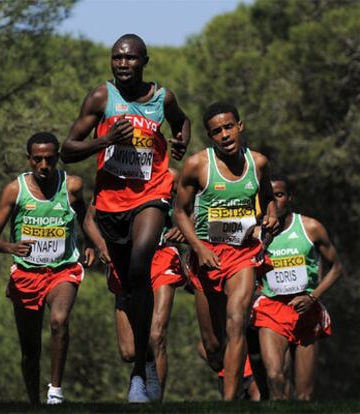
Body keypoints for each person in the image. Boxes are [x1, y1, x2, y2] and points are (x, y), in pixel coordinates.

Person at [61, 33, 190, 402]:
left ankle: (139, 374)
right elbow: (68, 150)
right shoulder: (102, 98)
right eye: (117, 58)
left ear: (145, 61)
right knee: (130, 284)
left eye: (131, 58)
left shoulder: (162, 98)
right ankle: (145, 359)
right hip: (111, 205)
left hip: (150, 195)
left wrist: (180, 141)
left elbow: (184, 122)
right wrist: (104, 141)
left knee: (140, 262)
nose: (123, 64)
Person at [174, 101, 278, 400]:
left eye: (228, 127)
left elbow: (268, 196)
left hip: (243, 253)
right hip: (206, 255)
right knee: (214, 347)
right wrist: (197, 247)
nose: (224, 135)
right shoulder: (197, 165)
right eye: (216, 131)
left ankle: (229, 402)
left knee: (237, 324)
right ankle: (226, 366)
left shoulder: (258, 163)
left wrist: (270, 213)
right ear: (210, 136)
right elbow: (179, 213)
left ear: (240, 126)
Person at [0, 132, 94, 404]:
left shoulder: (72, 186)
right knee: (30, 349)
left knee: (59, 321)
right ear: (29, 160)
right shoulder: (15, 190)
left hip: (62, 269)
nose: (44, 165)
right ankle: (34, 402)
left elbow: (87, 217)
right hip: (26, 274)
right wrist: (10, 247)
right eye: (38, 159)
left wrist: (92, 244)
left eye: (49, 158)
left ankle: (55, 392)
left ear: (57, 156)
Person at [84, 168, 187, 402]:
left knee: (156, 333)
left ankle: (154, 401)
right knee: (129, 351)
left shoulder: (170, 175)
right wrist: (101, 245)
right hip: (123, 261)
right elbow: (89, 219)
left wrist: (183, 225)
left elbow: (192, 205)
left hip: (161, 257)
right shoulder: (112, 173)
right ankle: (145, 363)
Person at [252, 175, 343, 400]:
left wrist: (312, 297)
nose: (274, 201)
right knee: (275, 377)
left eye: (279, 195)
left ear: (290, 197)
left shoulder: (310, 227)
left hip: (306, 311)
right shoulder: (255, 234)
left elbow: (337, 268)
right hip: (271, 309)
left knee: (304, 395)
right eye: (268, 197)